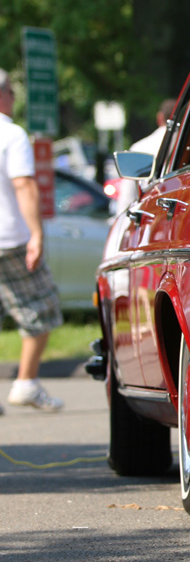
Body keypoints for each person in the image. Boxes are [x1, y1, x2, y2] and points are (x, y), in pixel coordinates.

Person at [0, 68, 63, 413]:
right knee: (40, 308)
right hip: (8, 236)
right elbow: (23, 184)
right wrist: (36, 234)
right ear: (4, 94)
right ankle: (25, 382)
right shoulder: (11, 134)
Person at [116, 98, 175, 214]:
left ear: (160, 118)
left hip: (150, 212)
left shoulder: (140, 147)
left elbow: (128, 195)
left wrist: (122, 221)